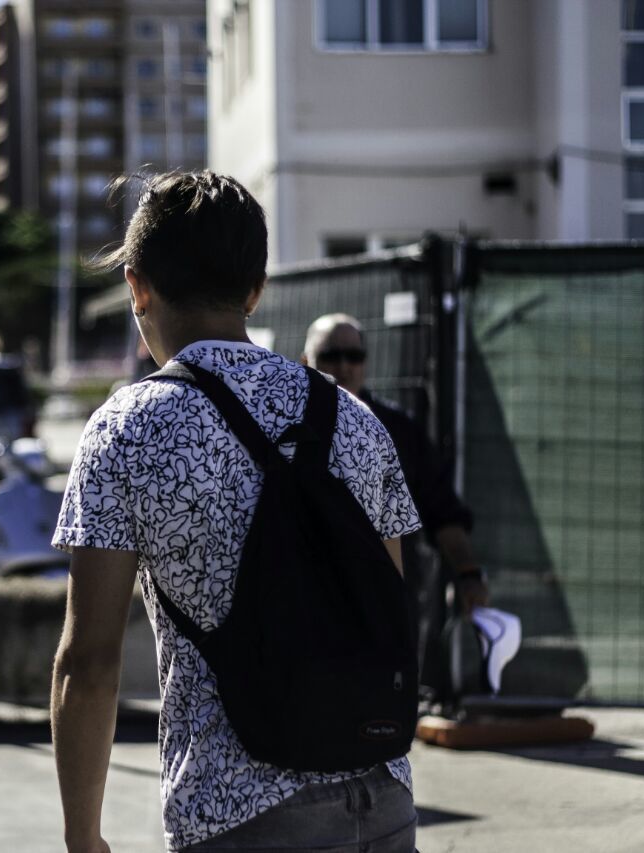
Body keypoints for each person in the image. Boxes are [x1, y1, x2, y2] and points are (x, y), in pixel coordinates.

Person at [50, 171, 421, 853]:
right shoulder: (354, 419)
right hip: (382, 798)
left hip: (236, 812)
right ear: (256, 289)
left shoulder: (125, 430)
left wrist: (84, 837)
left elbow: (90, 662)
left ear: (137, 287)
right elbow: (388, 613)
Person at [301, 314, 490, 703]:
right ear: (306, 360)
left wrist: (469, 573)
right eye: (331, 355)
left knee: (380, 718)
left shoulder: (395, 431)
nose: (343, 366)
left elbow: (442, 510)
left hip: (386, 606)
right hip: (311, 606)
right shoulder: (290, 429)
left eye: (354, 355)